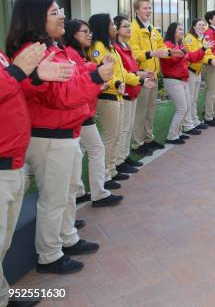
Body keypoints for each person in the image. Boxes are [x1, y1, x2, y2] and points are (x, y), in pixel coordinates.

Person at [6, 0, 113, 275]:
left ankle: (66, 238)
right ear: (37, 18)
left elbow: (72, 76)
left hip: (64, 132)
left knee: (66, 193)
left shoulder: (51, 47)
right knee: (53, 198)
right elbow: (60, 97)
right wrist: (96, 78)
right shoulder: (36, 52)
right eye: (55, 12)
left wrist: (91, 71)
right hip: (49, 135)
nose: (61, 16)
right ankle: (49, 254)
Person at [0, 42, 75, 306]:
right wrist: (17, 72)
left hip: (13, 160)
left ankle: (3, 295)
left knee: (3, 242)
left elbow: (16, 92)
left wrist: (34, 78)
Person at [63, 20, 124, 207]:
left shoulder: (80, 53)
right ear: (74, 34)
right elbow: (76, 80)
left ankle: (80, 191)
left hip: (83, 110)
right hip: (78, 112)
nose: (89, 35)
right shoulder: (70, 53)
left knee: (80, 153)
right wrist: (97, 71)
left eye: (90, 31)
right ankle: (98, 193)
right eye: (84, 32)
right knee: (96, 149)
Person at [88, 13, 142, 185]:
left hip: (117, 94)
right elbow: (103, 71)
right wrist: (117, 82)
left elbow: (122, 72)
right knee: (110, 137)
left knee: (117, 135)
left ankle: (111, 169)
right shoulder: (97, 47)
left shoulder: (110, 46)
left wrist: (138, 79)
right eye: (112, 24)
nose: (115, 27)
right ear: (103, 27)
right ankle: (104, 176)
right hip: (107, 96)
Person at [129, 0, 172, 156]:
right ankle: (137, 143)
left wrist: (170, 52)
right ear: (137, 10)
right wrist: (153, 53)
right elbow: (134, 53)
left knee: (150, 110)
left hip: (153, 75)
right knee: (140, 112)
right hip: (142, 76)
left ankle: (148, 138)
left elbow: (162, 46)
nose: (148, 10)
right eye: (145, 8)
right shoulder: (133, 29)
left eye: (149, 7)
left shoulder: (152, 29)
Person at [113, 15, 156, 166]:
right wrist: (141, 78)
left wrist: (143, 72)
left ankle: (124, 157)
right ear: (116, 30)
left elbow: (132, 68)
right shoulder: (116, 48)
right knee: (123, 129)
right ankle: (118, 161)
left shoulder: (126, 46)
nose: (129, 28)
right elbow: (122, 71)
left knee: (128, 127)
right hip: (124, 91)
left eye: (129, 26)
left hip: (133, 90)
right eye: (125, 26)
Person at [161, 23, 207, 144]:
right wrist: (181, 51)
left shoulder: (180, 45)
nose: (182, 31)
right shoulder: (167, 45)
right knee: (182, 108)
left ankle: (178, 132)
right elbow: (170, 61)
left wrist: (203, 48)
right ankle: (171, 136)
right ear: (173, 32)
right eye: (180, 29)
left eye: (182, 29)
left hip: (183, 79)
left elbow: (192, 57)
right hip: (173, 80)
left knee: (185, 107)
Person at [183, 18, 211, 131]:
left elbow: (207, 53)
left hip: (198, 71)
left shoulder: (201, 38)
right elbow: (194, 56)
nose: (202, 26)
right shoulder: (190, 38)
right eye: (199, 25)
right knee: (189, 99)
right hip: (191, 71)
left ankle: (194, 120)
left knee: (194, 98)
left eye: (203, 25)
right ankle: (187, 125)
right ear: (194, 26)